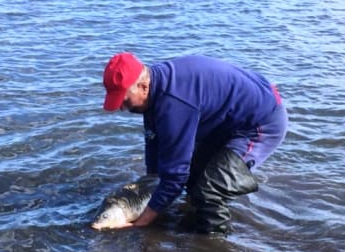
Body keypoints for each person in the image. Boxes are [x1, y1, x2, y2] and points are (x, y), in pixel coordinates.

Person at [102, 52, 288, 233]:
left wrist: (142, 222)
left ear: (143, 86)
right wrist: (150, 183)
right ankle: (195, 217)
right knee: (194, 178)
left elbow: (176, 177)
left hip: (262, 121)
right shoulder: (155, 86)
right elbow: (153, 140)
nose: (120, 107)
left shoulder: (174, 105)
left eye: (124, 100)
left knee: (209, 190)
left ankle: (213, 248)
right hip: (230, 117)